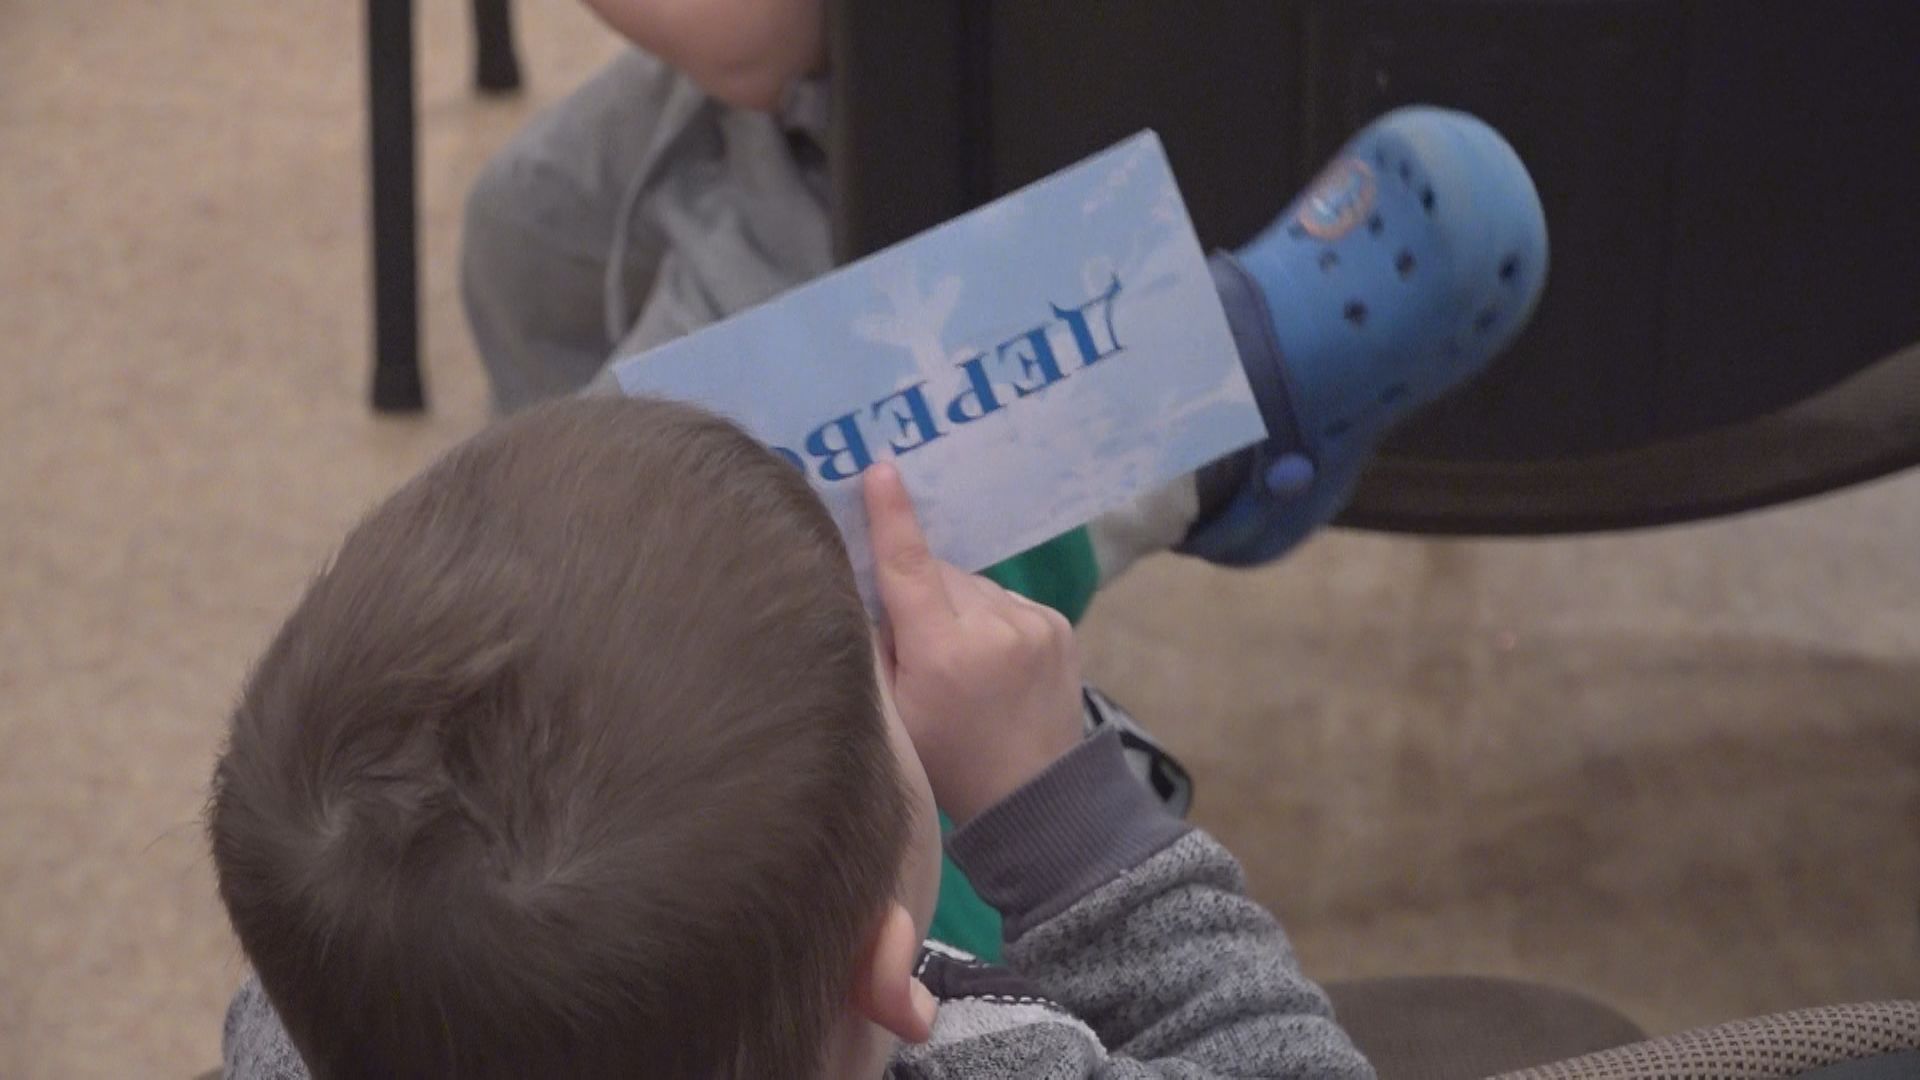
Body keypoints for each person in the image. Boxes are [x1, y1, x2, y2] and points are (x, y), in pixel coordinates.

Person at [209, 396, 1373, 1078]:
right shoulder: (992, 1058)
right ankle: (1198, 448)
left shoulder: (324, 1016)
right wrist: (1071, 823)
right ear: (889, 980)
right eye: (874, 666)